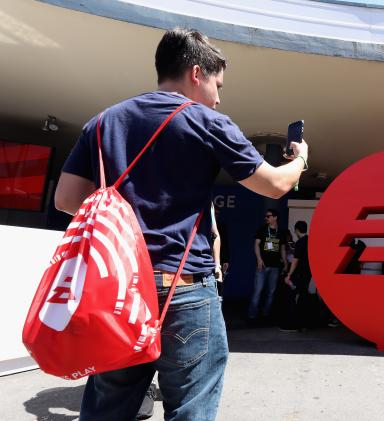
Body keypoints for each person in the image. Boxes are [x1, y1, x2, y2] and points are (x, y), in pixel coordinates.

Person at [54, 28, 309, 420]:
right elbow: (274, 185)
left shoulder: (103, 122)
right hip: (184, 289)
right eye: (217, 84)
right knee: (190, 409)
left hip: (117, 293)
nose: (219, 97)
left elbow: (67, 200)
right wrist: (301, 160)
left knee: (107, 409)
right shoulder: (208, 122)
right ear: (196, 73)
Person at [248, 208, 288, 322]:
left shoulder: (281, 232)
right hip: (263, 265)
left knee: (271, 292)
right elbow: (256, 245)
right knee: (258, 290)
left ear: (275, 217)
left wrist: (285, 263)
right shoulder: (262, 229)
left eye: (268, 216)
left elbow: (283, 248)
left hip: (275, 266)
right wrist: (259, 260)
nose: (266, 218)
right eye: (266, 216)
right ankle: (252, 314)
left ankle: (266, 313)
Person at [283, 221, 312, 330]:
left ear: (296, 230)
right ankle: (304, 323)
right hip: (308, 273)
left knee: (293, 296)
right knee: (303, 295)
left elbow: (295, 260)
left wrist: (289, 274)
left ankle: (294, 323)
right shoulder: (310, 241)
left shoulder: (300, 242)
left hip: (299, 273)